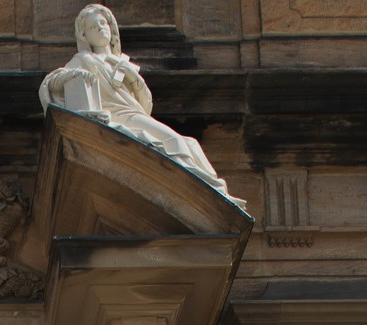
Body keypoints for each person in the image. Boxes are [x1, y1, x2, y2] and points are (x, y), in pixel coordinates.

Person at [39, 2, 244, 207]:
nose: (100, 28)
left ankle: (215, 193)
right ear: (84, 36)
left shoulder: (123, 63)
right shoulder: (84, 59)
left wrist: (132, 76)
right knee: (177, 142)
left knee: (190, 143)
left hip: (133, 114)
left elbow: (145, 103)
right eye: (93, 26)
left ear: (112, 28)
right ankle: (206, 198)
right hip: (115, 115)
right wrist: (73, 75)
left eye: (103, 23)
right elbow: (50, 83)